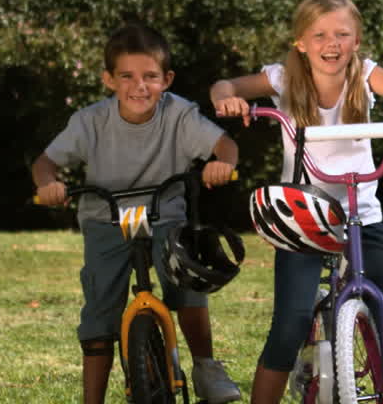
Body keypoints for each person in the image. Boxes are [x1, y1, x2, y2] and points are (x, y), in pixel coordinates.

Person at [209, 0, 383, 404]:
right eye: (319, 35)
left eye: (341, 35)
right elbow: (225, 85)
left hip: (359, 212)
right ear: (300, 42)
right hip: (303, 217)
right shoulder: (281, 79)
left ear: (356, 41)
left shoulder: (364, 76)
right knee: (290, 322)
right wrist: (227, 98)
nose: (331, 44)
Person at [32, 22, 242, 404]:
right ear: (109, 80)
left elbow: (224, 145)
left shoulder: (179, 115)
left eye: (150, 77)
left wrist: (221, 164)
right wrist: (48, 185)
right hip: (105, 219)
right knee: (99, 312)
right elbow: (45, 162)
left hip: (164, 215)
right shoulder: (90, 121)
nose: (139, 86)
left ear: (167, 80)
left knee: (186, 281)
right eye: (126, 76)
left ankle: (206, 367)